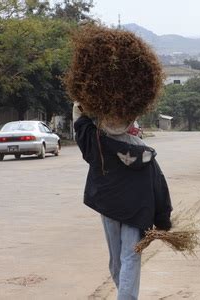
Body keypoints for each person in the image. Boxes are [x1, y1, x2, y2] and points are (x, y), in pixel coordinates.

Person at [68, 25, 172, 300]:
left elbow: (80, 124)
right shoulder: (144, 152)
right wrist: (163, 220)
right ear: (131, 120)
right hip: (135, 212)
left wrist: (82, 105)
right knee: (128, 258)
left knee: (119, 260)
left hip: (112, 209)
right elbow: (160, 189)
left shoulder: (97, 143)